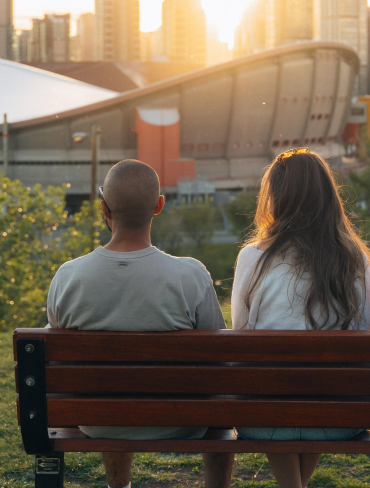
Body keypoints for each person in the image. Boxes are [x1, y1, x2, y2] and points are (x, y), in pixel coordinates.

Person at [46, 159, 234, 488]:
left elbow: (57, 358)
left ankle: (119, 485)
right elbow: (218, 358)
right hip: (182, 420)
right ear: (159, 206)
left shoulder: (68, 277)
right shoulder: (190, 275)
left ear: (103, 207)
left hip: (97, 421)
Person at [230, 148, 370, 488]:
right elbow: (369, 328)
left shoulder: (253, 257)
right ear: (327, 195)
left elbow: (241, 334)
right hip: (339, 417)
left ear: (276, 198)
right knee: (310, 394)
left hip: (264, 417)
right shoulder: (353, 257)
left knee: (278, 394)